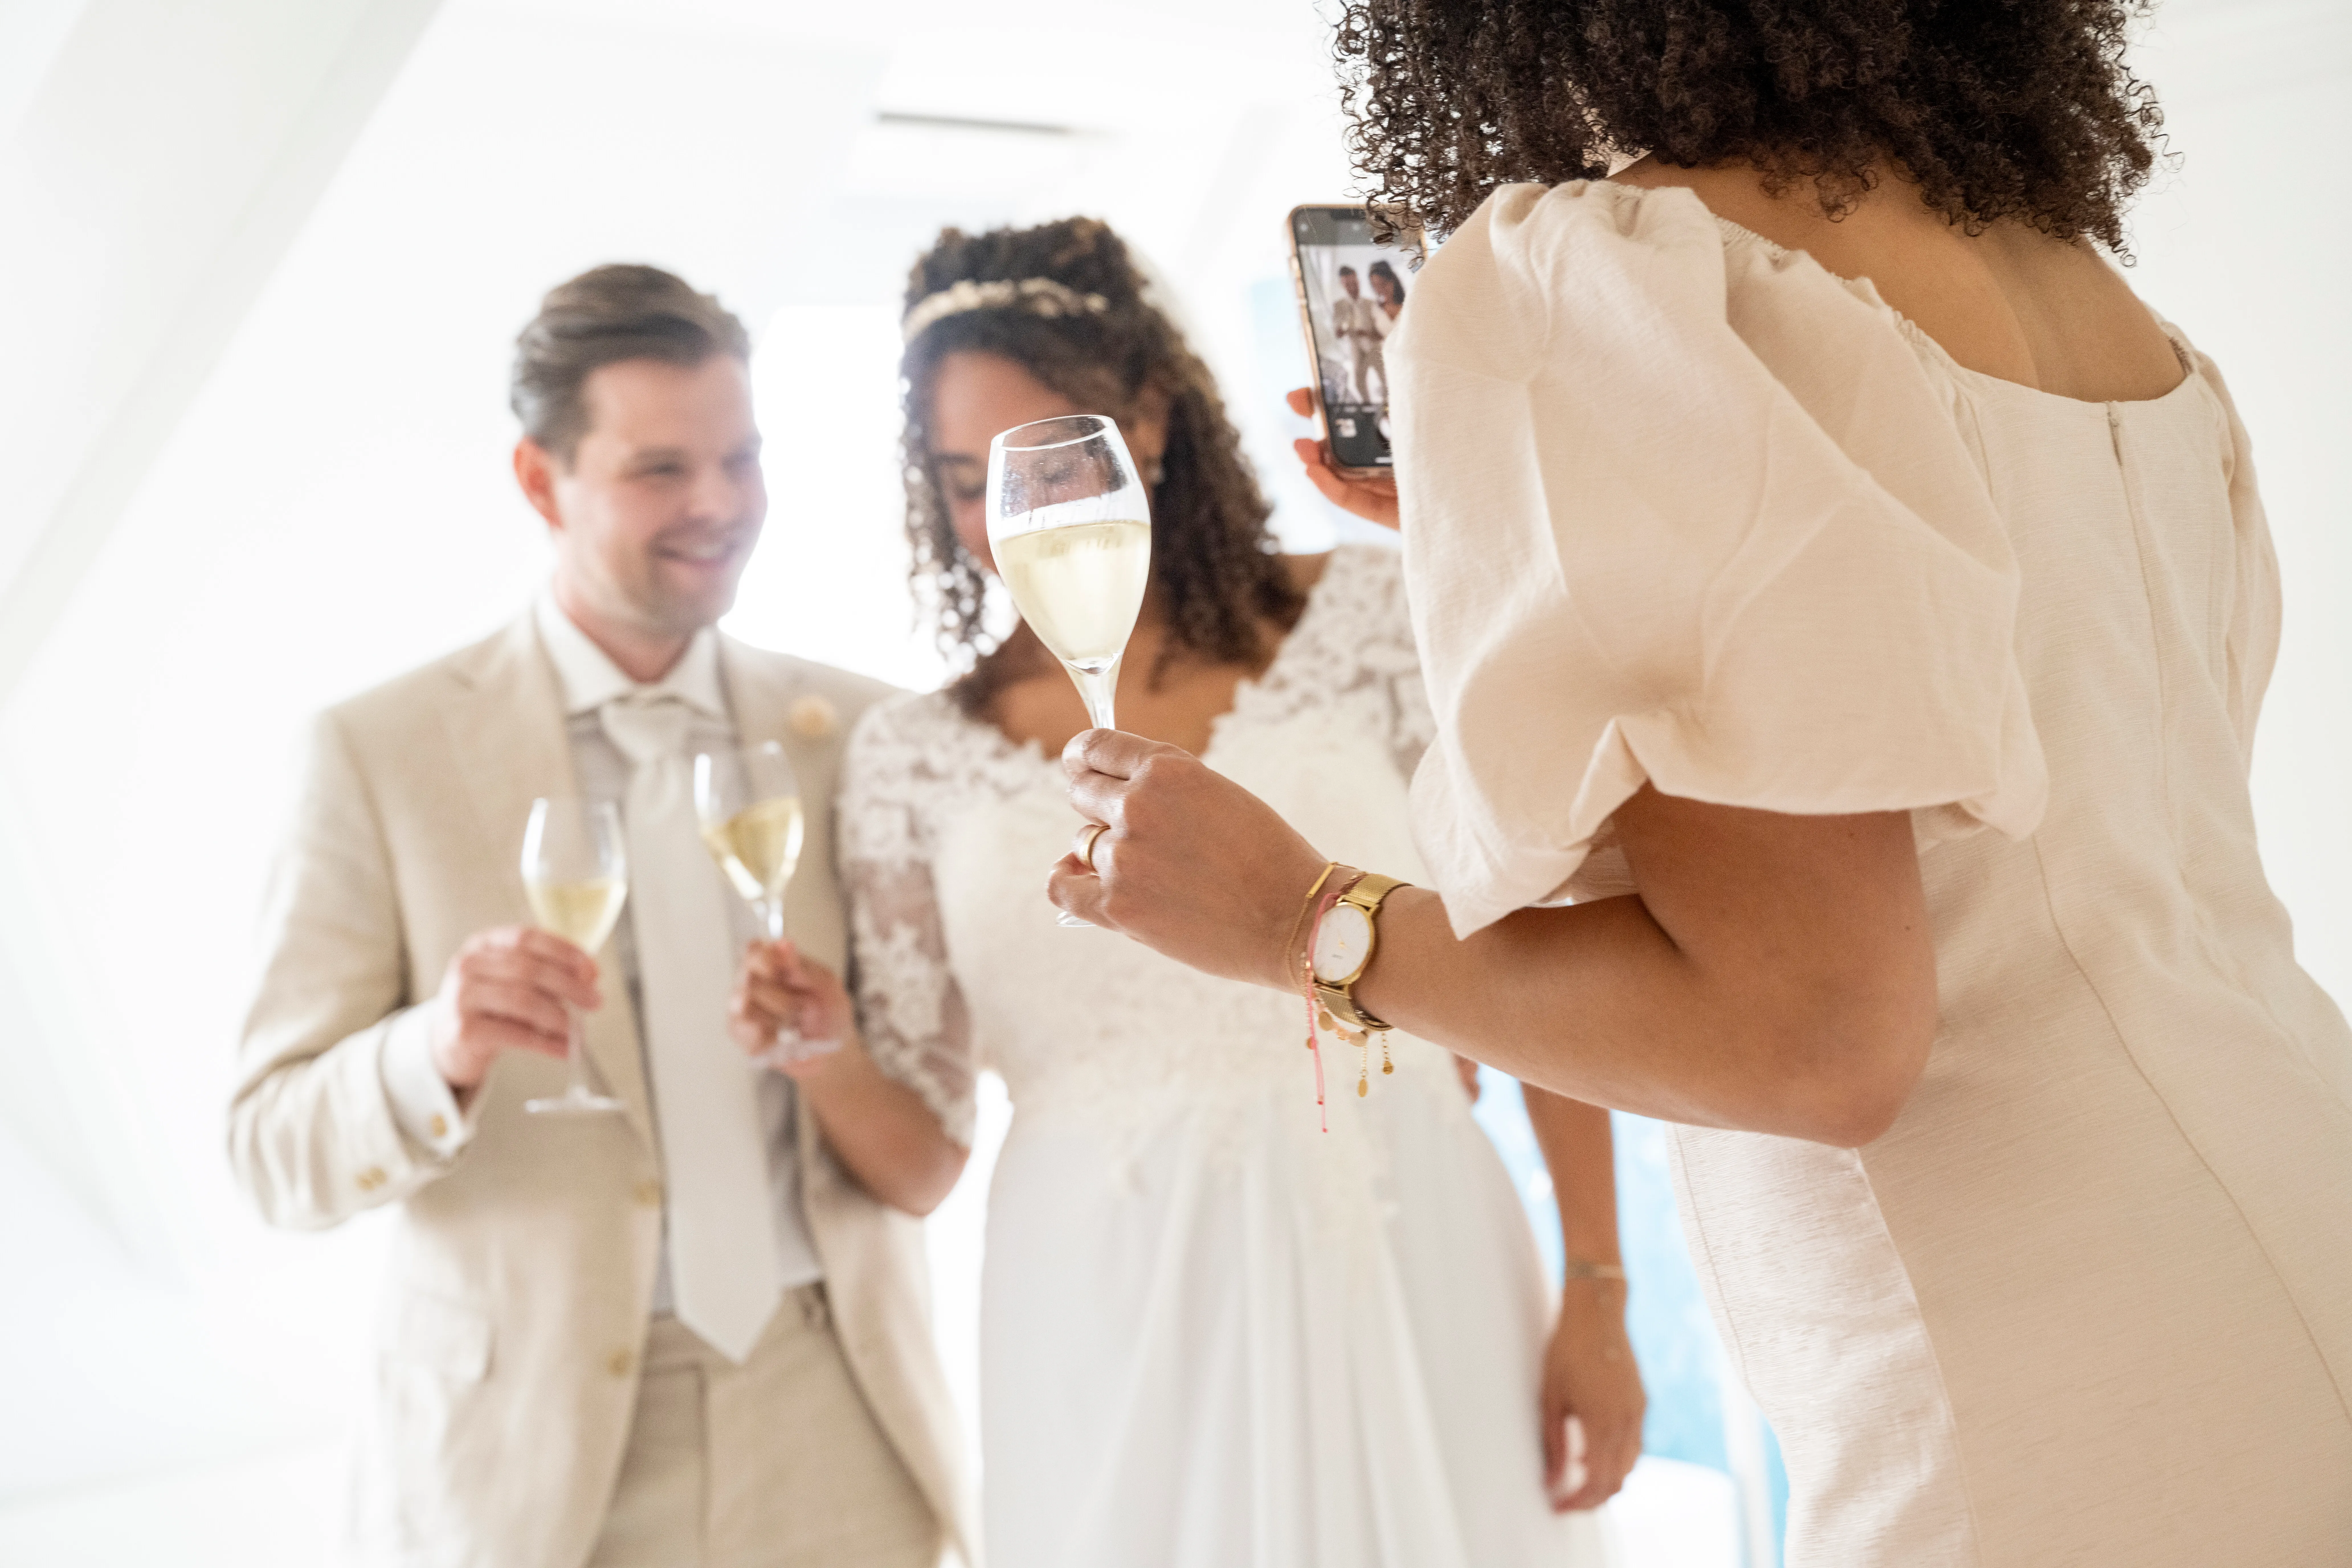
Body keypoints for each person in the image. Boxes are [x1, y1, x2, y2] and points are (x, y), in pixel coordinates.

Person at [1050, 2, 2352, 1564]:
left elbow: (1814, 1035)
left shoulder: (1619, 274)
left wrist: (1300, 919)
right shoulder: (2085, 289)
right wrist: (1541, 547)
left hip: (2037, 1371)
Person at [846, 216, 1639, 1568]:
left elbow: (1533, 949)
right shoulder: (903, 758)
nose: (1003, 521)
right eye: (965, 482)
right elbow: (918, 1138)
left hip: (1396, 1235)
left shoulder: (1377, 625)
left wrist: (1597, 1286)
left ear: (1147, 423)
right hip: (1096, 1306)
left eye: (1044, 463)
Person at [228, 265, 971, 1568]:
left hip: (837, 1422)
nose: (720, 507)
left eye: (741, 459)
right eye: (660, 470)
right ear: (538, 480)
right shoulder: (377, 754)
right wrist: (435, 1052)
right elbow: (269, 1152)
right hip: (532, 1461)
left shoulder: (865, 736)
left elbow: (927, 1137)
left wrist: (829, 1048)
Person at [1328, 263, 1385, 404]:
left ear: (1358, 281)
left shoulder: (1371, 303)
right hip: (1356, 351)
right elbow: (1338, 334)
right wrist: (1345, 327)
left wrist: (1367, 334)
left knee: (1386, 378)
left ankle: (1388, 406)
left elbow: (1381, 331)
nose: (1352, 287)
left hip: (1375, 347)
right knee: (1359, 383)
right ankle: (1369, 409)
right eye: (1348, 284)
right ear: (1343, 285)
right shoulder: (1339, 306)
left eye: (1354, 283)